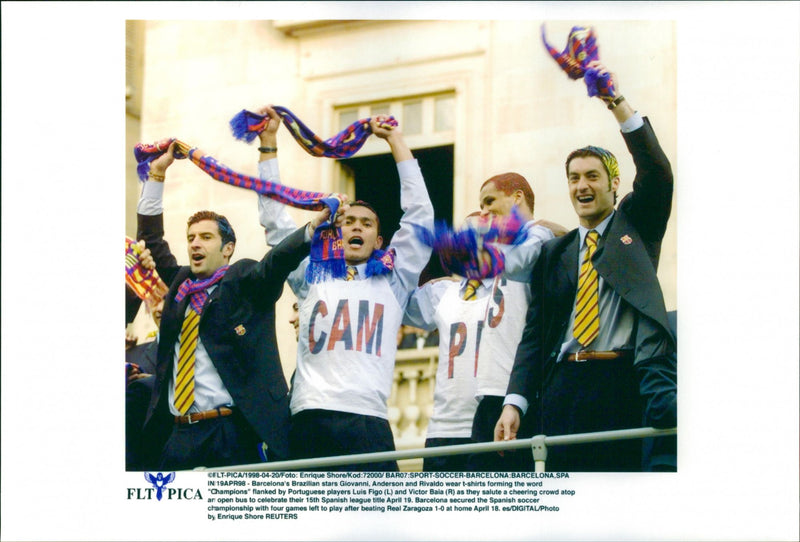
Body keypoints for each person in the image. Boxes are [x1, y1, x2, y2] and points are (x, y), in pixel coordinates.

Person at [495, 61, 677, 472]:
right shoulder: (553, 253)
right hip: (564, 387)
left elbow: (657, 173)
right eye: (574, 178)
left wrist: (614, 101)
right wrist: (514, 402)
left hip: (622, 381)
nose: (582, 186)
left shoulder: (637, 225)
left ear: (614, 183)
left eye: (592, 176)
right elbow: (535, 336)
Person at [137, 140, 332, 471]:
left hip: (229, 432)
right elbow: (153, 242)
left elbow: (275, 262)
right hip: (179, 434)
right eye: (191, 238)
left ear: (228, 249)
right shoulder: (181, 284)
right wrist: (156, 174)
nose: (195, 243)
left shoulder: (243, 282)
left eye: (206, 237)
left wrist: (311, 229)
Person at [281, 113, 434, 471]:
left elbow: (420, 218)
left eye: (366, 224)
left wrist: (396, 141)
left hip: (367, 420)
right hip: (310, 416)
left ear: (379, 241)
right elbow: (278, 233)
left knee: (377, 525)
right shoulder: (310, 275)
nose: (357, 227)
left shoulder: (393, 282)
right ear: (335, 234)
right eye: (349, 222)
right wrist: (269, 147)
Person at [454, 174, 566, 471]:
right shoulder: (507, 245)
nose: (483, 213)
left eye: (490, 202)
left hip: (518, 392)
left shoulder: (537, 237)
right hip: (491, 390)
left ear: (517, 198)